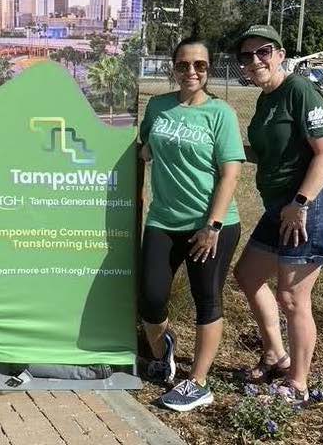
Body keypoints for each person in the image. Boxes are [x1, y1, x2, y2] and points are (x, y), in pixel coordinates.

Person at [232, 25, 323, 404]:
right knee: (247, 276)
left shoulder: (298, 89)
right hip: (279, 206)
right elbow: (268, 153)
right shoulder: (266, 100)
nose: (254, 61)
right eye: (246, 56)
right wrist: (226, 151)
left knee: (293, 296)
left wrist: (301, 203)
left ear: (280, 54)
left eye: (263, 52)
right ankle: (275, 354)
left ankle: (298, 383)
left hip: (307, 204)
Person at [139, 38, 245, 412]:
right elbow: (143, 147)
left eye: (199, 65)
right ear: (173, 67)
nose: (191, 72)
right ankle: (161, 351)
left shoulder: (220, 113)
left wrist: (212, 226)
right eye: (184, 64)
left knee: (207, 300)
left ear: (209, 69)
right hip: (164, 221)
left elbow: (230, 174)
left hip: (211, 224)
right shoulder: (158, 107)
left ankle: (198, 382)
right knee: (150, 298)